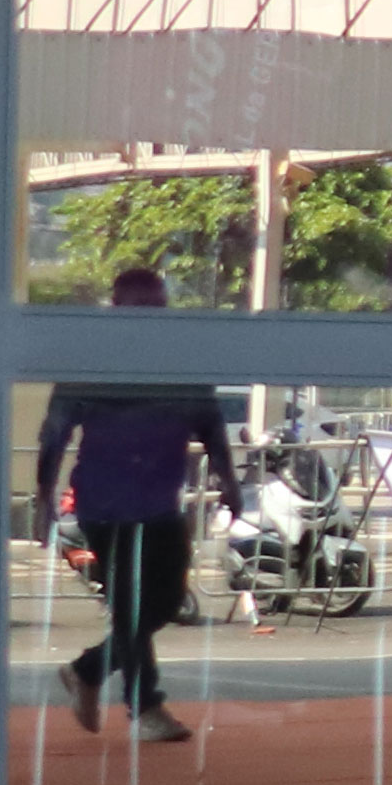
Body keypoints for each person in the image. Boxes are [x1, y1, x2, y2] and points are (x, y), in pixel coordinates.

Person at [37, 279, 237, 746]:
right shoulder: (89, 361)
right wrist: (44, 494)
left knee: (165, 601)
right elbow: (55, 432)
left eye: (157, 307)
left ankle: (87, 670)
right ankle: (144, 706)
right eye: (140, 307)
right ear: (116, 308)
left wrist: (228, 480)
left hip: (161, 504)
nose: (150, 316)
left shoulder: (181, 361)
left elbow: (210, 423)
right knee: (130, 606)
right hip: (106, 504)